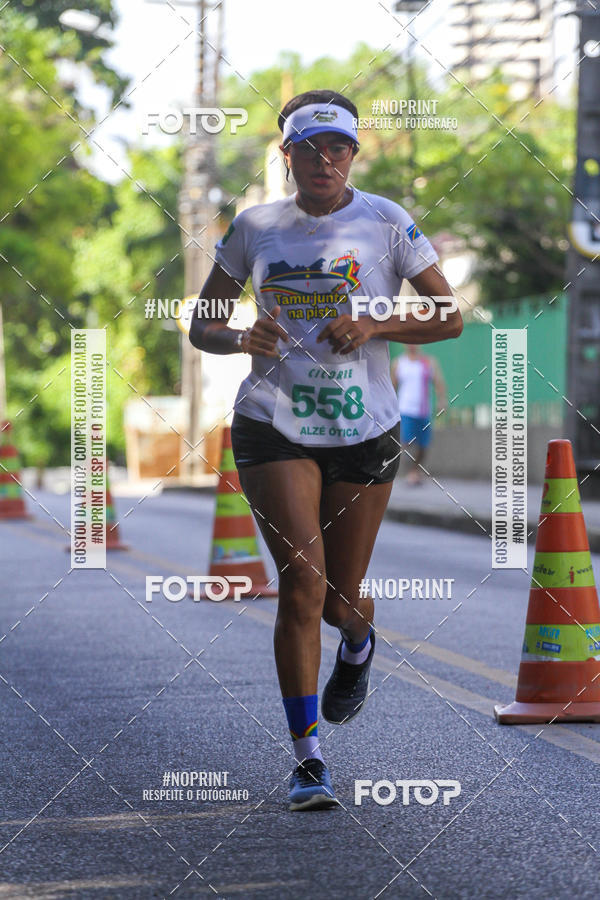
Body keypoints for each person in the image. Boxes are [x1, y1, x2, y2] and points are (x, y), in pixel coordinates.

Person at [189, 89, 462, 811]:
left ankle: (359, 643)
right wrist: (237, 336)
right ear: (287, 157)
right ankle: (308, 759)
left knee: (342, 601)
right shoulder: (255, 226)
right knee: (302, 586)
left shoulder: (387, 221)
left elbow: (449, 316)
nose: (324, 161)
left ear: (353, 154)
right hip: (273, 423)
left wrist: (374, 326)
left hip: (364, 429)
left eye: (337, 147)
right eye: (308, 149)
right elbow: (202, 325)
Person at [391, 344, 447, 485]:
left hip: (423, 410)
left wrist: (442, 400)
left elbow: (438, 382)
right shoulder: (398, 363)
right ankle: (405, 470)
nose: (412, 345)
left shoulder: (428, 362)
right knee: (405, 441)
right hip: (405, 409)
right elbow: (392, 386)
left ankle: (414, 471)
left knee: (423, 444)